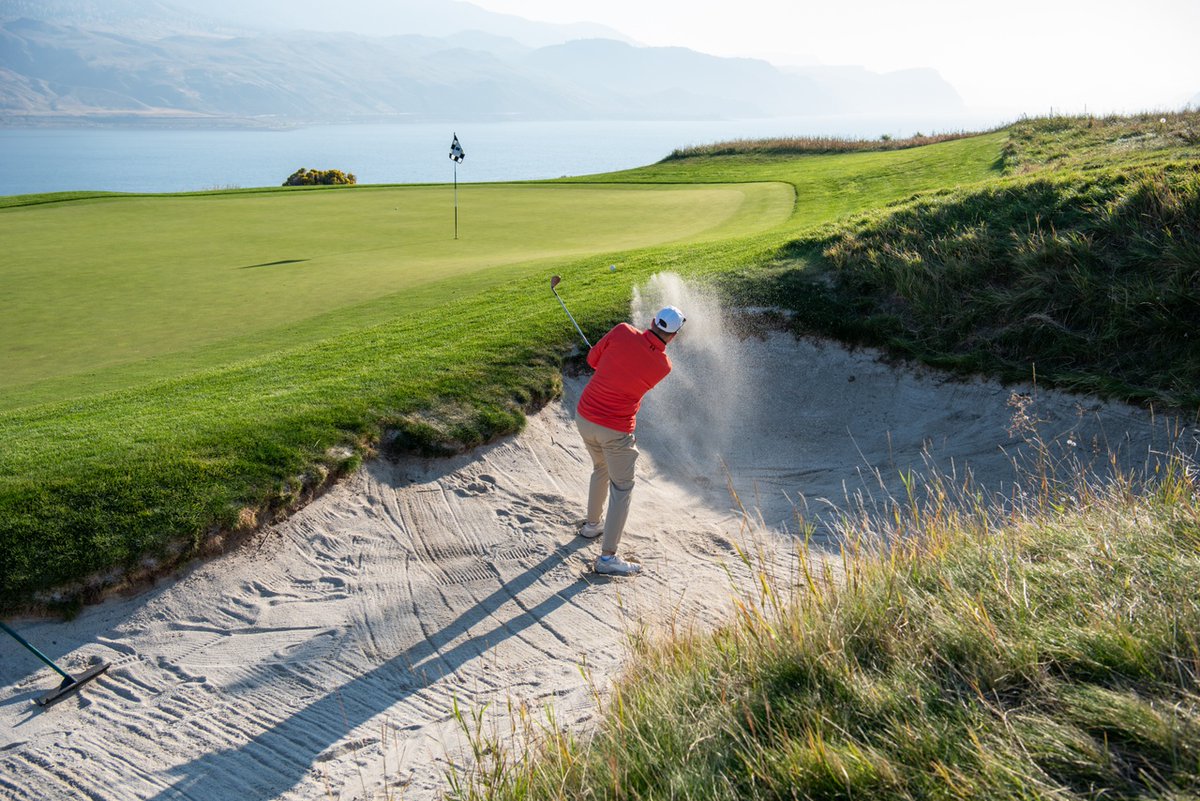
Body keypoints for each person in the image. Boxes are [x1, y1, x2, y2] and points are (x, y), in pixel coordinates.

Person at [575, 305, 686, 575]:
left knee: (600, 468)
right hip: (615, 431)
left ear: (653, 321)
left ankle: (592, 525)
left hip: (584, 417)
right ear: (674, 336)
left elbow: (592, 361)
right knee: (622, 487)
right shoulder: (664, 366)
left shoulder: (622, 331)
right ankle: (607, 558)